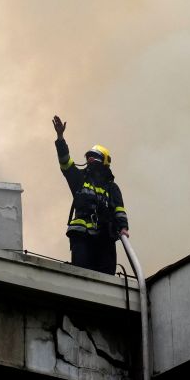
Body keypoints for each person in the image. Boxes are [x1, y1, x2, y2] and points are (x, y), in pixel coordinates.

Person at [52, 115, 129, 275]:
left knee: (106, 278)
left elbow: (119, 211)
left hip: (105, 238)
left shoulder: (112, 187)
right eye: (88, 157)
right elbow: (65, 163)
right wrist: (60, 138)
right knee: (82, 277)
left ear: (104, 161)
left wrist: (123, 228)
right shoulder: (79, 179)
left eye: (95, 157)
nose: (90, 159)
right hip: (82, 237)